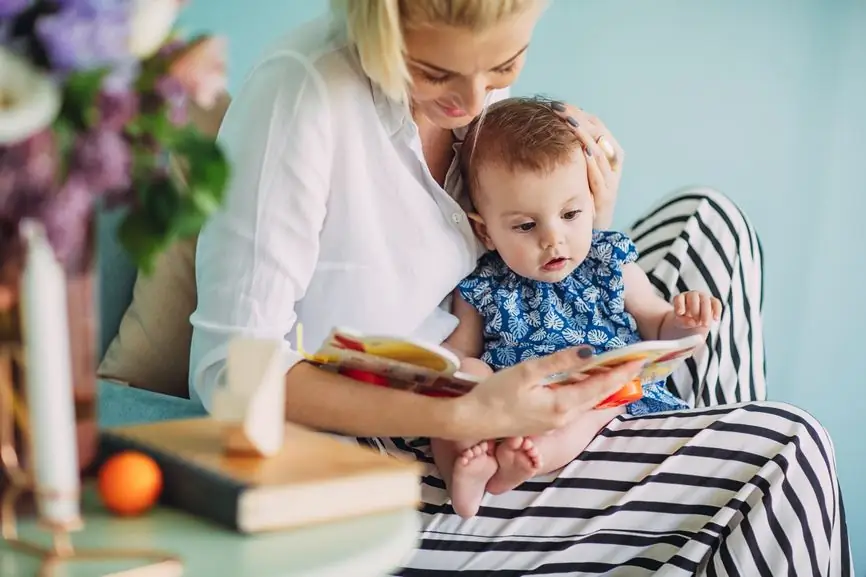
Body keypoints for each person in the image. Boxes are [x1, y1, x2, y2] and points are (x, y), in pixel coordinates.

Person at [189, 0, 853, 573]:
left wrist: (582, 220)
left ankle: (691, 474)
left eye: (505, 65)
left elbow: (509, 243)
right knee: (786, 457)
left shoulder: (475, 108)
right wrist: (459, 414)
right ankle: (713, 493)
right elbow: (229, 375)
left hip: (503, 371)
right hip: (399, 444)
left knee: (711, 223)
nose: (475, 103)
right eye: (434, 72)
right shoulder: (303, 96)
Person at [429, 96, 722, 519]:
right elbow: (461, 349)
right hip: (511, 396)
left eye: (570, 214)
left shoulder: (610, 263)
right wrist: (454, 375)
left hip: (593, 393)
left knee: (590, 404)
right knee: (460, 380)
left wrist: (685, 322)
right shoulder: (481, 283)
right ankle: (465, 474)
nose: (554, 239)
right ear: (485, 230)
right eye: (526, 226)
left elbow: (657, 325)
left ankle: (523, 462)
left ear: (592, 199)